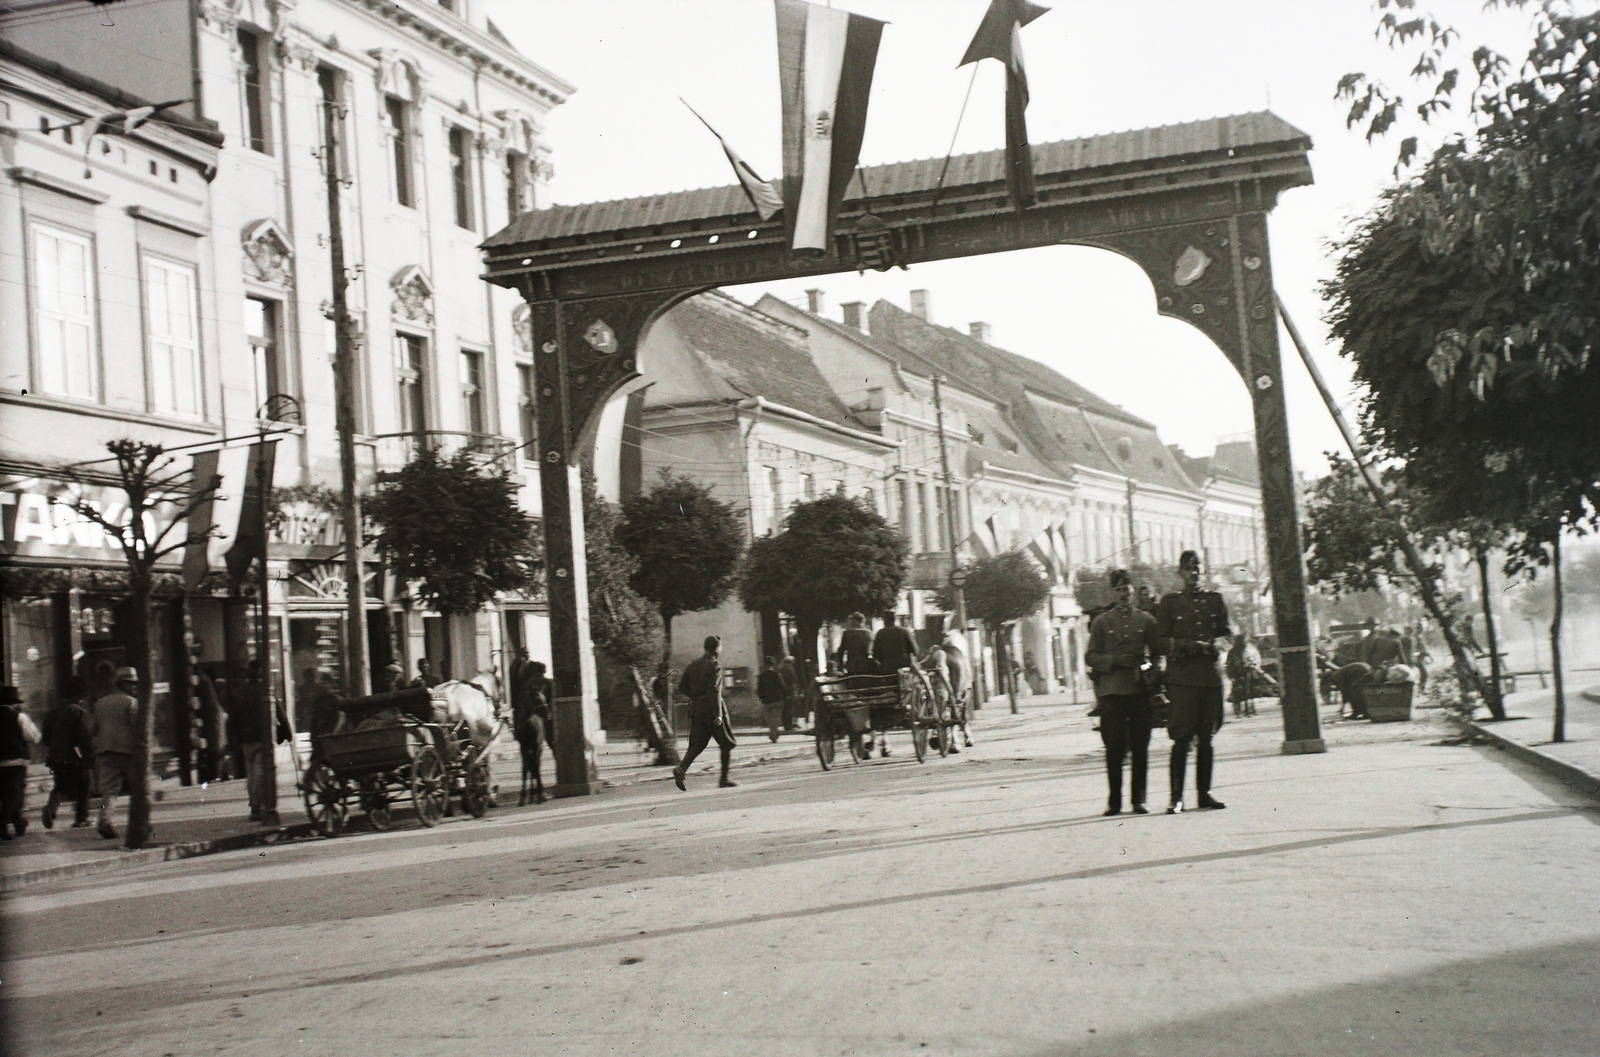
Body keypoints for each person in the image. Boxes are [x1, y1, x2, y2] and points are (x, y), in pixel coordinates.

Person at [1155, 551, 1232, 814]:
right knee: (1181, 738)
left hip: (1210, 678)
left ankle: (1204, 793)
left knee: (1207, 737)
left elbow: (1226, 634)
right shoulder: (1170, 603)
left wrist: (1219, 644)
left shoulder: (1215, 600)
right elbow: (1161, 641)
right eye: (1188, 569)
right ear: (1180, 573)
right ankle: (1176, 797)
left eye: (1197, 568)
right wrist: (1189, 646)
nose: (1194, 573)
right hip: (1183, 680)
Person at [1085, 569, 1161, 816]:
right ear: (1112, 592)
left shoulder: (1146, 620)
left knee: (1140, 746)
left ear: (1132, 590)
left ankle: (1139, 800)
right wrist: (1114, 660)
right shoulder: (1101, 622)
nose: (1123, 595)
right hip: (1112, 693)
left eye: (1126, 590)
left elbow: (1157, 654)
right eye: (1118, 590)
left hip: (1139, 691)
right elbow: (1091, 656)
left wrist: (1149, 669)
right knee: (1114, 748)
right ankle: (1114, 802)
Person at [672, 636, 737, 791]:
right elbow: (714, 690)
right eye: (720, 647)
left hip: (697, 709)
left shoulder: (693, 665)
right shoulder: (714, 666)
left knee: (697, 744)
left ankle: (681, 769)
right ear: (716, 649)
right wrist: (718, 715)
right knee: (727, 743)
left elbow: (682, 687)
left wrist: (695, 696)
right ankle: (724, 778)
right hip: (712, 709)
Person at [231, 661, 290, 823]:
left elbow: (233, 720)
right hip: (262, 738)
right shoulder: (265, 690)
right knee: (260, 774)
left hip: (246, 740)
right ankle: (261, 806)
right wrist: (287, 732)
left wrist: (235, 740)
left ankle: (254, 807)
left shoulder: (238, 693)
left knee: (251, 774)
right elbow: (279, 712)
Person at [91, 667, 141, 840]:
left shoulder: (100, 703)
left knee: (109, 790)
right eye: (132, 684)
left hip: (105, 751)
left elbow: (93, 729)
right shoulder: (131, 702)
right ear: (123, 684)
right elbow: (137, 728)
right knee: (138, 787)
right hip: (127, 751)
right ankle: (140, 823)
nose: (134, 687)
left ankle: (105, 821)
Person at [42, 676, 94, 829]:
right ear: (80, 695)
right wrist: (89, 758)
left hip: (55, 756)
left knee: (60, 785)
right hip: (72, 755)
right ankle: (81, 818)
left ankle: (50, 809)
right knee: (85, 783)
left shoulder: (52, 713)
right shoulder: (79, 712)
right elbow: (84, 738)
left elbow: (45, 738)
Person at [1, 686, 42, 839]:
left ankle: (19, 822)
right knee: (12, 794)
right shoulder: (19, 716)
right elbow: (34, 737)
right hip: (16, 761)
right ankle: (3, 824)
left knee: (5, 794)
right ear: (14, 703)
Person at [757, 656, 786, 743]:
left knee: (769, 720)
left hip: (766, 701)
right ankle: (774, 734)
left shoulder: (761, 676)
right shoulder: (777, 675)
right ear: (773, 664)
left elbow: (759, 690)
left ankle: (773, 733)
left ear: (765, 665)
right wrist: (784, 696)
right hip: (777, 700)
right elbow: (783, 686)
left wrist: (762, 699)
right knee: (776, 718)